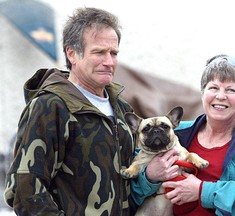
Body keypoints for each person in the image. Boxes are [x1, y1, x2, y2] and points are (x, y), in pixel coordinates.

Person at [3, 7, 173, 215]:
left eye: (114, 53)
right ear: (72, 53)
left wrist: (149, 178)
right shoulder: (50, 107)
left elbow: (127, 185)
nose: (109, 62)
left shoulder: (122, 109)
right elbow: (25, 191)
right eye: (99, 52)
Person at [160, 54, 235, 215]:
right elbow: (134, 186)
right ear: (203, 93)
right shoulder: (176, 133)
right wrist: (148, 176)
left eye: (231, 90)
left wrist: (201, 190)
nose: (220, 96)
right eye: (213, 88)